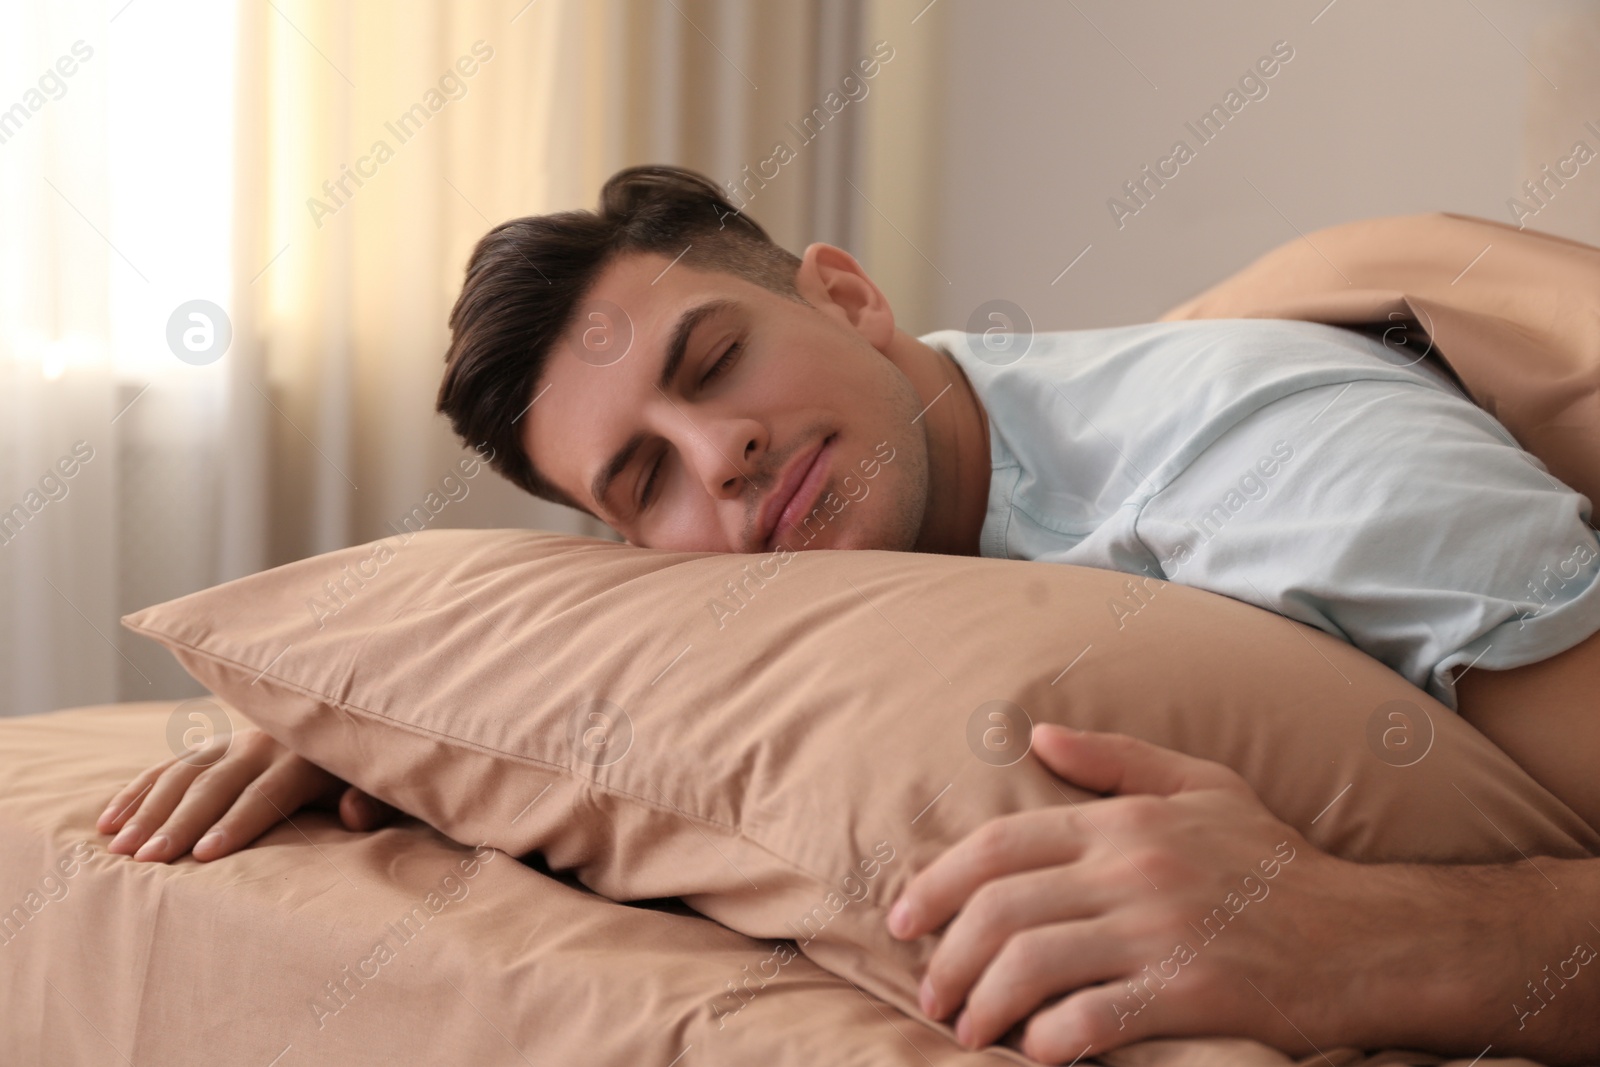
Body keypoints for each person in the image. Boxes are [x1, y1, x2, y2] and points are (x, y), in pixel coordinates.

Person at [100, 165, 1600, 1061]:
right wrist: (399, 724)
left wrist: (1369, 936)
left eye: (714, 361)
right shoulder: (830, 525)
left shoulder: (1290, 470)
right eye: (644, 479)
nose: (721, 456)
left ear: (851, 296)